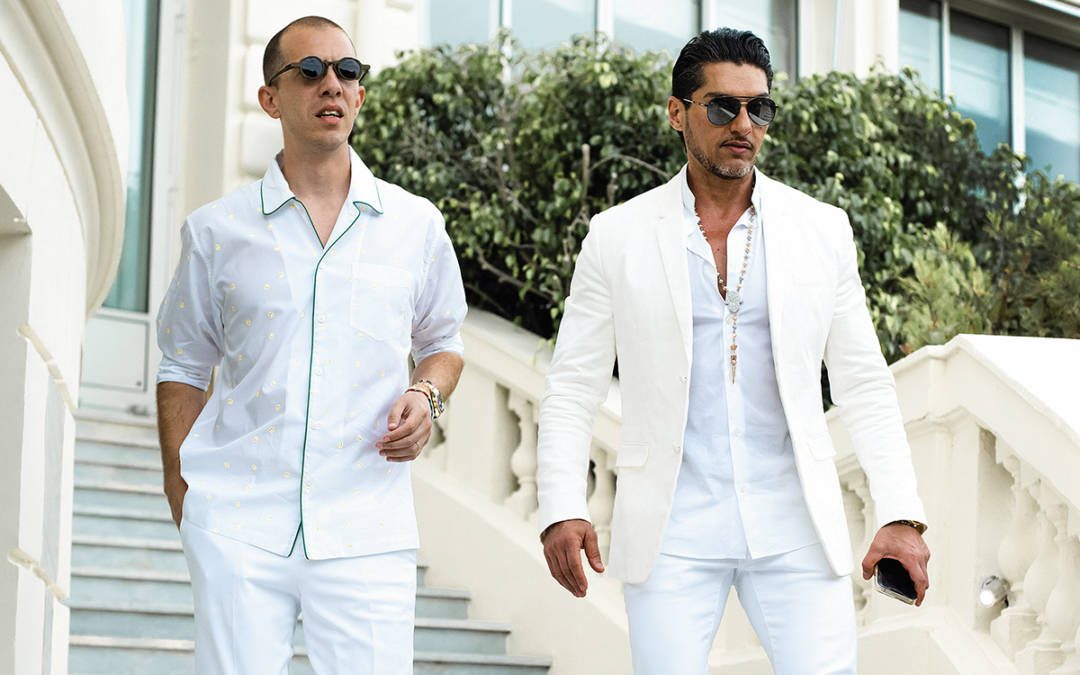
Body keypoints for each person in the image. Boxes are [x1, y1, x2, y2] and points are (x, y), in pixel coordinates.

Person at [536, 28, 930, 674]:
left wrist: (901, 512)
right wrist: (561, 505)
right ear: (677, 113)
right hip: (671, 527)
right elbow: (574, 384)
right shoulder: (617, 236)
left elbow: (863, 381)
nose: (743, 125)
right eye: (722, 107)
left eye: (759, 108)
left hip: (796, 522)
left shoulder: (821, 230)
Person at [155, 15, 466, 674]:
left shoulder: (415, 225)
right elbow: (183, 363)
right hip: (237, 525)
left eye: (347, 71)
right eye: (310, 71)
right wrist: (182, 489)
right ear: (270, 98)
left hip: (367, 527)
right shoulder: (215, 232)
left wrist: (426, 394)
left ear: (360, 94)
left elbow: (444, 341)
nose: (332, 84)